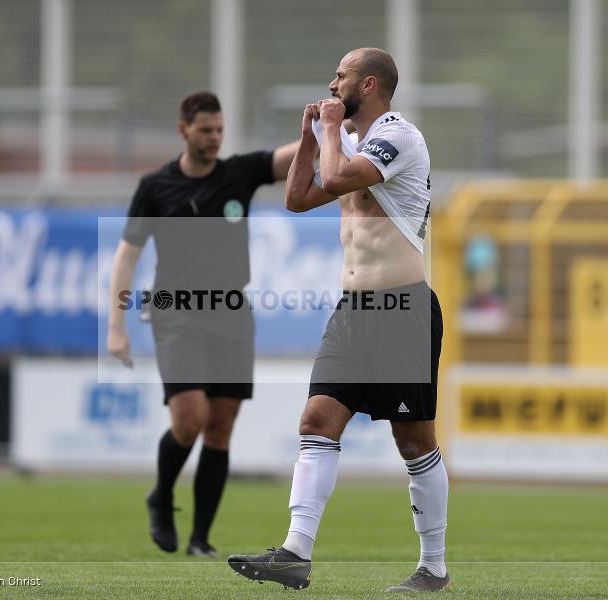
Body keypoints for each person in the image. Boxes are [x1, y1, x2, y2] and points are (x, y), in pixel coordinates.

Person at [227, 48, 449, 592]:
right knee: (316, 420)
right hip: (352, 310)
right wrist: (309, 134)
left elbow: (335, 175)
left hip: (403, 308)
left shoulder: (398, 136)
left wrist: (327, 128)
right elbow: (299, 198)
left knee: (414, 442)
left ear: (369, 84)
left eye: (342, 75)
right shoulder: (344, 140)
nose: (332, 83)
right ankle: (294, 552)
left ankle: (433, 566)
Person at [107, 91, 299, 558]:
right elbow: (126, 255)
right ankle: (161, 495)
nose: (214, 138)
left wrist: (337, 124)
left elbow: (292, 155)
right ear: (183, 130)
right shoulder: (155, 186)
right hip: (176, 313)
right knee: (190, 418)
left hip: (233, 313)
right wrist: (116, 325)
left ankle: (199, 540)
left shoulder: (240, 171)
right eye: (205, 130)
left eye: (219, 130)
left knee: (220, 428)